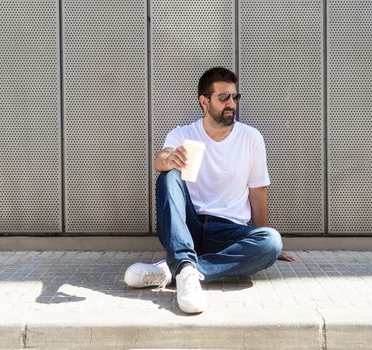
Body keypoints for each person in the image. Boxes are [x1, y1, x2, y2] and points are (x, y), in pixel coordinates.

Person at [124, 67, 294, 314]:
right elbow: (159, 159)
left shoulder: (251, 138)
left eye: (234, 97)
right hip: (185, 227)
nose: (231, 104)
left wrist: (261, 247)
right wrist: (169, 158)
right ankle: (184, 262)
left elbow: (258, 193)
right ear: (204, 101)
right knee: (169, 174)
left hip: (227, 231)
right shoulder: (182, 134)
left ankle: (177, 269)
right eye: (223, 97)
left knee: (272, 241)